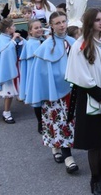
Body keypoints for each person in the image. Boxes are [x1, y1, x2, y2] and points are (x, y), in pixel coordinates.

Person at [65, 8, 101, 195]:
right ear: (89, 23)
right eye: (97, 20)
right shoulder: (80, 46)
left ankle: (100, 172)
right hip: (90, 96)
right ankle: (96, 178)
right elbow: (80, 74)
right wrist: (99, 94)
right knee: (95, 142)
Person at [27, 12, 79, 174]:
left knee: (68, 122)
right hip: (53, 92)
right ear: (51, 25)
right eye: (58, 23)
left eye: (64, 22)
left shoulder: (73, 42)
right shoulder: (45, 47)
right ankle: (68, 156)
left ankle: (58, 147)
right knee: (58, 122)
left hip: (72, 90)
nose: (62, 25)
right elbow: (40, 73)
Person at [0, 18, 24, 125]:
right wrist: (14, 40)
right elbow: (7, 51)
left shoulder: (8, 37)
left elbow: (18, 46)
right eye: (13, 26)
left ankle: (10, 108)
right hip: (6, 70)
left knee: (13, 90)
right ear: (8, 29)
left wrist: (20, 40)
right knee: (8, 93)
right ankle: (6, 113)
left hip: (13, 66)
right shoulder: (1, 39)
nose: (15, 28)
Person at [18, 19, 45, 133]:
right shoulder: (30, 44)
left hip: (44, 74)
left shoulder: (43, 40)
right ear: (30, 31)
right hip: (35, 75)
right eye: (36, 28)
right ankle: (40, 122)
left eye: (40, 27)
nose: (39, 29)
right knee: (37, 98)